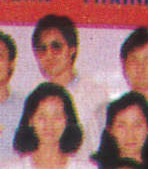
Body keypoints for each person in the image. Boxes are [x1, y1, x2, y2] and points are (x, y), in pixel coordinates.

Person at [30, 15, 98, 149]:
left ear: (72, 50)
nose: (49, 55)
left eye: (56, 47)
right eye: (42, 49)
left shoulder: (94, 94)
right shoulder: (33, 95)